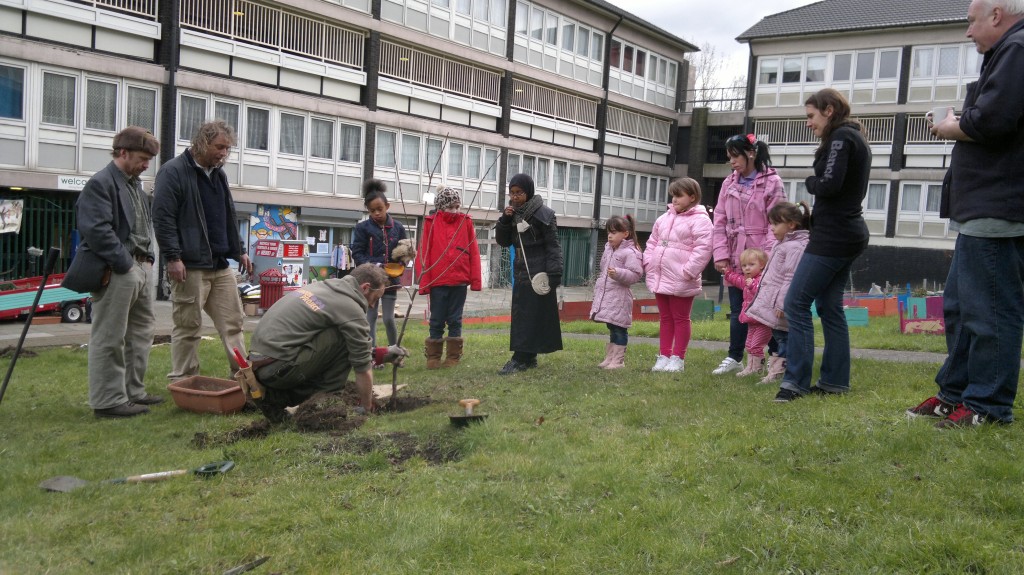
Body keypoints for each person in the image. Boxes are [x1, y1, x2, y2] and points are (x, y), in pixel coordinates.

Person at [907, 0, 1024, 427]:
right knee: (959, 306)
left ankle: (988, 407)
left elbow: (992, 121)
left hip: (998, 206)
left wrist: (951, 125)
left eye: (972, 22)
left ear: (997, 14)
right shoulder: (1007, 51)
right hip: (980, 207)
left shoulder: (1018, 48)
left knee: (990, 310)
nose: (967, 32)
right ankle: (954, 394)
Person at [774, 88, 871, 403]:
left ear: (829, 110)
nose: (808, 123)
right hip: (849, 233)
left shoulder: (841, 139)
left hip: (834, 237)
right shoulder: (851, 137)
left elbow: (829, 184)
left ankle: (795, 384)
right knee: (829, 306)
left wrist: (809, 183)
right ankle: (833, 382)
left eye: (811, 116)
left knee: (796, 303)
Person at [152, 120, 252, 382]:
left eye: (227, 149)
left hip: (219, 265)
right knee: (188, 326)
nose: (224, 154)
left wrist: (239, 250)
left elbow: (228, 215)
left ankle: (244, 378)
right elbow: (163, 219)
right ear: (203, 142)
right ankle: (184, 381)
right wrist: (173, 257)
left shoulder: (219, 175)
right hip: (190, 265)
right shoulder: (173, 172)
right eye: (220, 147)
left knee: (234, 324)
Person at [75, 127, 163, 418]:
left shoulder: (133, 184)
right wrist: (125, 264)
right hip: (118, 269)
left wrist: (147, 261)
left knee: (140, 334)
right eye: (142, 158)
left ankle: (132, 393)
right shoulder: (101, 183)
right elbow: (96, 230)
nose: (146, 164)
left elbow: (140, 226)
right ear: (122, 152)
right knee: (110, 336)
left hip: (139, 266)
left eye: (149, 159)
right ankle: (107, 400)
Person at [247, 264, 409, 422]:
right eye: (375, 299)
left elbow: (323, 345)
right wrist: (366, 407)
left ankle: (274, 397)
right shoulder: (350, 308)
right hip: (278, 368)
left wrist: (382, 354)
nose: (373, 305)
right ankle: (322, 402)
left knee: (345, 335)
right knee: (346, 337)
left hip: (261, 364)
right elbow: (362, 366)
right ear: (365, 288)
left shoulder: (326, 288)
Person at [711, 134, 786, 376]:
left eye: (735, 156)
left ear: (750, 153)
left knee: (765, 312)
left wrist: (766, 258)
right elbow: (719, 220)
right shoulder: (728, 184)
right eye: (729, 157)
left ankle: (777, 358)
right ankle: (736, 356)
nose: (731, 162)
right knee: (738, 309)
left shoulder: (772, 182)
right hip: (736, 256)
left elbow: (778, 221)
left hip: (761, 257)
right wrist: (721, 254)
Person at [642, 178, 714, 373]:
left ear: (692, 197)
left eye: (679, 195)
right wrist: (648, 262)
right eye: (673, 195)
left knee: (680, 318)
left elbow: (704, 249)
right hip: (660, 275)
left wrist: (688, 271)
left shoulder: (701, 220)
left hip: (682, 277)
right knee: (665, 318)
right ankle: (664, 355)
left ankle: (678, 358)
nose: (674, 199)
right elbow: (652, 242)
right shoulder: (663, 218)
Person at [495, 173, 564, 375]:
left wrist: (554, 274)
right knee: (523, 315)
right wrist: (504, 220)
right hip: (521, 272)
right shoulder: (512, 214)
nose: (515, 197)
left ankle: (520, 358)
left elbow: (553, 246)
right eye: (512, 193)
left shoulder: (544, 214)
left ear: (529, 192)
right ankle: (528, 356)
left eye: (519, 193)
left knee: (532, 316)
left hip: (540, 275)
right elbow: (503, 241)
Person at [416, 185, 482, 369]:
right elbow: (425, 253)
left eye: (457, 206)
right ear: (440, 207)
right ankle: (433, 356)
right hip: (438, 280)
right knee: (436, 318)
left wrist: (475, 280)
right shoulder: (431, 223)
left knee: (455, 318)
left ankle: (453, 357)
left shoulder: (465, 221)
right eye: (450, 207)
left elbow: (474, 251)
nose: (455, 210)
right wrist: (425, 282)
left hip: (459, 280)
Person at [745, 202, 811, 385]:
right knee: (779, 335)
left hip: (780, 303)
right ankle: (775, 369)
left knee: (784, 337)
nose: (771, 228)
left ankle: (778, 372)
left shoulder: (795, 247)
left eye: (776, 224)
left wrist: (782, 303)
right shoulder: (782, 244)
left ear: (791, 224)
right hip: (773, 300)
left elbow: (791, 278)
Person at [351, 179, 408, 358]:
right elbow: (357, 253)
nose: (376, 213)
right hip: (371, 281)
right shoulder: (362, 228)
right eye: (372, 210)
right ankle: (374, 355)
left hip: (391, 280)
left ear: (387, 206)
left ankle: (395, 353)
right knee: (371, 318)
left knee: (390, 319)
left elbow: (405, 251)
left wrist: (403, 263)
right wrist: (376, 265)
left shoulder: (398, 227)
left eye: (379, 209)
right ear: (367, 210)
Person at [589, 215, 644, 370]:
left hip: (620, 297)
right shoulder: (608, 249)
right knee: (612, 327)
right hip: (609, 296)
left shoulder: (630, 252)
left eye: (614, 232)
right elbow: (603, 268)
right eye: (608, 232)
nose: (610, 235)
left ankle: (618, 361)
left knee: (620, 328)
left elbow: (636, 274)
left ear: (625, 234)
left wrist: (619, 273)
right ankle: (610, 357)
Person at [723, 248, 770, 377]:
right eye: (744, 265)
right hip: (751, 320)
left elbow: (762, 294)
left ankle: (758, 369)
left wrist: (752, 285)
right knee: (749, 345)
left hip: (762, 320)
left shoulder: (763, 279)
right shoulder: (748, 280)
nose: (747, 268)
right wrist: (728, 274)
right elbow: (738, 280)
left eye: (751, 265)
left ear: (761, 265)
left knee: (756, 345)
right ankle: (750, 368)